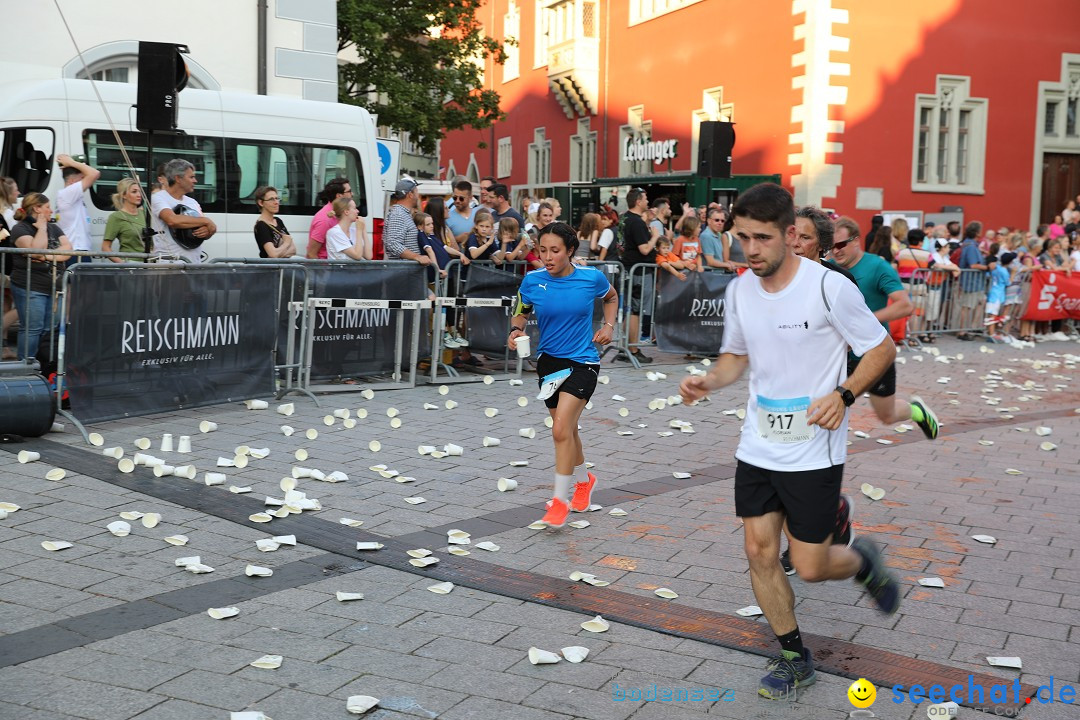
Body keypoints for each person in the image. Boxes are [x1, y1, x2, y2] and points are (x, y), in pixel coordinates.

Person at [678, 183, 901, 701]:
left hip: (813, 448)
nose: (750, 249)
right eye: (741, 238)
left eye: (761, 238)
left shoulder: (829, 288)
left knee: (810, 566)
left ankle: (862, 560)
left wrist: (844, 395)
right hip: (757, 444)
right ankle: (794, 657)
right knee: (758, 551)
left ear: (790, 234)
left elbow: (881, 349)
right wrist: (708, 381)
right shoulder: (739, 290)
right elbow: (736, 356)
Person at [507, 222, 618, 528]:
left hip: (583, 362)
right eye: (542, 250)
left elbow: (611, 297)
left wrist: (608, 326)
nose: (547, 257)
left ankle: (560, 500)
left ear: (571, 251)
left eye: (555, 251)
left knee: (559, 430)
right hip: (549, 364)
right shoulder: (532, 281)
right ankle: (585, 480)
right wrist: (516, 330)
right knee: (568, 429)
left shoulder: (590, 278)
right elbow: (521, 308)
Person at [831, 216, 939, 437]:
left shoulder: (877, 266)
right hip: (841, 354)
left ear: (856, 240)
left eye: (841, 245)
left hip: (875, 354)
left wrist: (866, 321)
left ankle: (916, 411)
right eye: (831, 246)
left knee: (887, 415)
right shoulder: (828, 268)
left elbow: (904, 305)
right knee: (831, 402)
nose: (836, 251)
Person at [8, 193, 72, 360]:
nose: (51, 211)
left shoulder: (55, 227)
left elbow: (68, 249)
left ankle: (44, 365)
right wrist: (42, 229)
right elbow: (36, 250)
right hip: (31, 286)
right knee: (32, 328)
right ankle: (26, 367)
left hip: (55, 286)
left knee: (50, 328)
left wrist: (45, 257)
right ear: (37, 208)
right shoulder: (20, 228)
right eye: (47, 207)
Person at [618, 187, 657, 364]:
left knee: (631, 309)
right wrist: (655, 235)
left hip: (628, 267)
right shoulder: (636, 222)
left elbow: (623, 243)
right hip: (638, 271)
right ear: (638, 201)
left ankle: (625, 346)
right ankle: (632, 349)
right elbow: (645, 248)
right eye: (646, 198)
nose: (648, 202)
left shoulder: (624, 218)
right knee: (636, 310)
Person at [150, 159, 216, 263]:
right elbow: (172, 220)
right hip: (169, 265)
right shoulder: (158, 198)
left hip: (194, 264)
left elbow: (206, 230)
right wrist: (207, 221)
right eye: (191, 177)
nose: (195, 181)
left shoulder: (193, 202)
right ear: (178, 178)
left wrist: (208, 231)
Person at [54, 154, 101, 263]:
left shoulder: (69, 196)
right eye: (82, 179)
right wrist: (71, 162)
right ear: (72, 181)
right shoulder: (68, 193)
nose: (86, 183)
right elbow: (95, 173)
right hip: (76, 252)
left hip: (78, 251)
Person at [954, 221, 988, 339]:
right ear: (977, 232)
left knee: (979, 303)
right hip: (971, 282)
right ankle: (963, 331)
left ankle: (972, 328)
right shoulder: (971, 247)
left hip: (975, 282)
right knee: (967, 306)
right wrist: (987, 267)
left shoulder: (970, 245)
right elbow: (973, 265)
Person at [102, 177, 149, 262]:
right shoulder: (116, 217)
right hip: (130, 264)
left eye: (139, 191)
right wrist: (122, 263)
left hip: (149, 263)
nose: (139, 195)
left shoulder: (145, 214)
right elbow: (105, 247)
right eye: (134, 192)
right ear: (124, 195)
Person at [383, 179, 428, 266]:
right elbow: (393, 243)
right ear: (410, 195)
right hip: (403, 271)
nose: (418, 195)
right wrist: (417, 257)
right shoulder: (398, 214)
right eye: (416, 192)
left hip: (406, 270)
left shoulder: (403, 213)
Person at [307, 178, 351, 259]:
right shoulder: (325, 220)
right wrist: (321, 271)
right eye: (349, 191)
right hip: (326, 268)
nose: (352, 194)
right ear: (339, 196)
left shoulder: (341, 213)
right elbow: (311, 254)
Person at [252, 186, 297, 259]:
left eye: (277, 198)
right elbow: (273, 255)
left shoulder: (278, 220)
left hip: (283, 267)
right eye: (271, 199)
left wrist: (278, 252)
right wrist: (286, 243)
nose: (276, 202)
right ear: (261, 203)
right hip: (270, 269)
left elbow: (293, 250)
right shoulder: (261, 225)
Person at [325, 197, 371, 261]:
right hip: (340, 270)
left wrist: (363, 229)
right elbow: (357, 255)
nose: (358, 211)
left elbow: (369, 256)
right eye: (355, 208)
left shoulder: (354, 231)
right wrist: (359, 230)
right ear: (346, 212)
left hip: (355, 270)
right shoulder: (334, 233)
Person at [985, 252, 1016, 341]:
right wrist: (1013, 274)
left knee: (992, 313)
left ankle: (990, 332)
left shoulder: (996, 268)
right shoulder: (1004, 271)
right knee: (993, 314)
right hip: (997, 294)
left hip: (993, 291)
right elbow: (1008, 283)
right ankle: (991, 334)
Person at [446, 179, 478, 245]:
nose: (457, 201)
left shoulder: (478, 214)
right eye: (454, 198)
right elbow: (443, 243)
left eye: (461, 198)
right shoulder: (447, 217)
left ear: (470, 198)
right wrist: (457, 239)